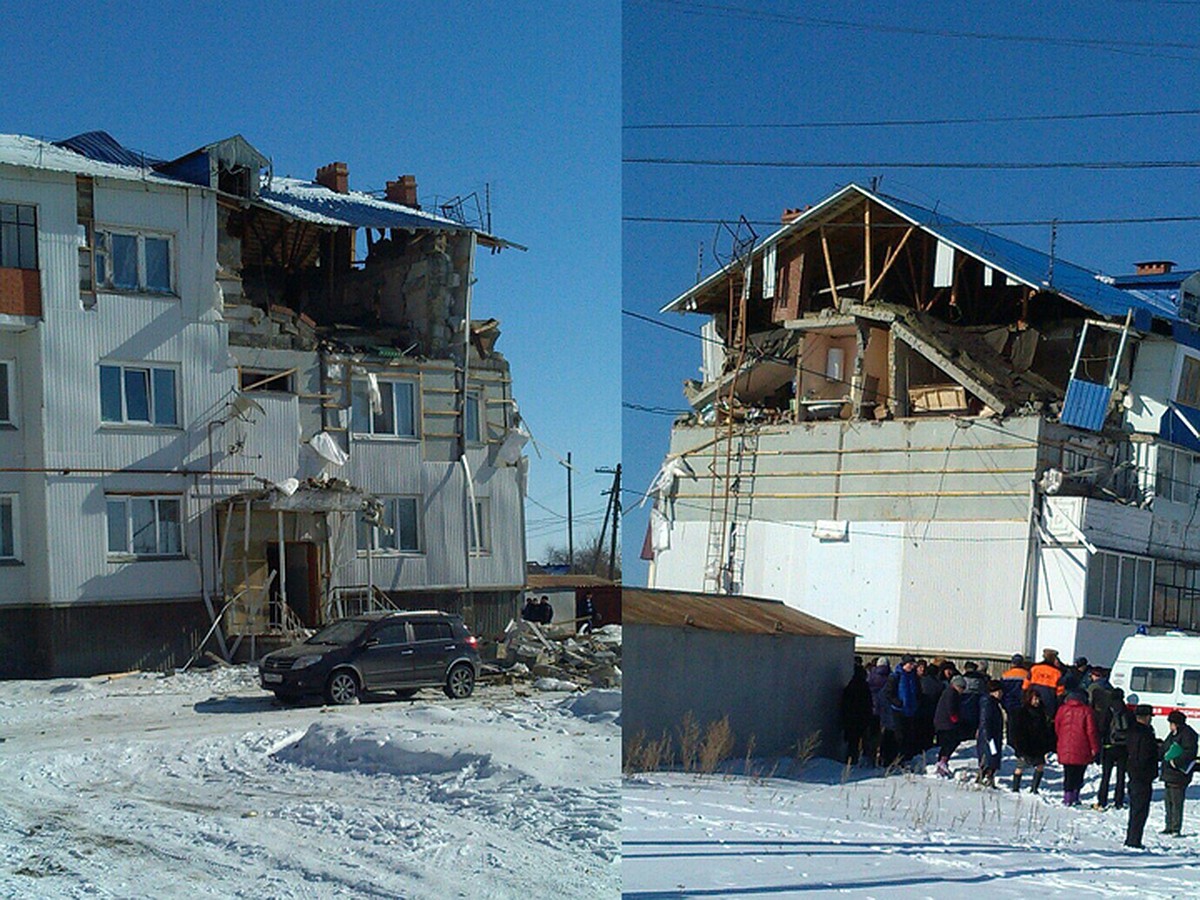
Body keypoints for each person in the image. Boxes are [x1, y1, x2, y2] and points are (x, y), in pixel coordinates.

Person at [1055, 690, 1100, 806]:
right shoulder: (1086, 711)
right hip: (1082, 746)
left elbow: (1057, 726)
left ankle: (1067, 797)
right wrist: (1094, 747)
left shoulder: (1062, 709)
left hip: (1065, 745)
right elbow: (1091, 731)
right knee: (1079, 772)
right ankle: (1075, 795)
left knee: (1068, 772)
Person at [1008, 688, 1054, 793]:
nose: (1037, 701)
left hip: (1038, 744)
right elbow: (1016, 730)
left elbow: (1044, 728)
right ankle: (1015, 788)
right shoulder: (1022, 712)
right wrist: (1018, 745)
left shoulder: (1041, 712)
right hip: (1025, 744)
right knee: (1020, 767)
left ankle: (1034, 788)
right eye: (1034, 699)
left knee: (1040, 766)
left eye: (1038, 699)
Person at [1125, 705, 1158, 849]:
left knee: (1135, 810)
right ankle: (1134, 840)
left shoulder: (1131, 731)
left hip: (1133, 773)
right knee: (1140, 810)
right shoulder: (1146, 733)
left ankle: (1132, 838)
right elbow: (1146, 755)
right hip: (1143, 776)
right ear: (1146, 717)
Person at [1161, 709, 1199, 835]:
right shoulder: (1173, 734)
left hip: (1179, 774)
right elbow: (1165, 747)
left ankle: (1176, 827)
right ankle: (1169, 825)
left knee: (1176, 802)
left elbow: (1190, 753)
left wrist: (1176, 761)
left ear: (1176, 723)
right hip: (1169, 773)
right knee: (1168, 801)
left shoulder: (1188, 735)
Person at [1095, 687, 1130, 810]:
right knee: (1121, 775)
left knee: (1106, 775)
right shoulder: (1126, 710)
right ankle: (1119, 800)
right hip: (1123, 747)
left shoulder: (1108, 710)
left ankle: (1102, 800)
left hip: (1109, 746)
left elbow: (1102, 728)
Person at [884, 655, 921, 767]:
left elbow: (917, 691)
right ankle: (896, 758)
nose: (912, 666)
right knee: (899, 736)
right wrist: (897, 702)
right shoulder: (896, 676)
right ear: (904, 664)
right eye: (910, 664)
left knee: (908, 736)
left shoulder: (913, 676)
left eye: (913, 664)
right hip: (898, 710)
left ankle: (905, 758)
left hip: (911, 709)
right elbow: (888, 693)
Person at [933, 674, 967, 778]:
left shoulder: (950, 692)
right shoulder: (951, 693)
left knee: (949, 742)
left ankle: (943, 761)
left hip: (944, 722)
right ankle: (942, 762)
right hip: (946, 723)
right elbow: (951, 708)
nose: (963, 690)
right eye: (962, 688)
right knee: (950, 742)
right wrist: (956, 720)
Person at [840, 663, 873, 765]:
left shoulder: (850, 686)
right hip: (862, 719)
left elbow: (844, 704)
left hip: (850, 719)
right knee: (863, 742)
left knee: (852, 743)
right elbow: (868, 703)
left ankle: (850, 761)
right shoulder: (864, 687)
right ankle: (864, 761)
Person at [976, 679, 1006, 788]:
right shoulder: (988, 702)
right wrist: (988, 736)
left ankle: (988, 778)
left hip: (993, 735)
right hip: (989, 737)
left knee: (993, 758)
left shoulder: (994, 703)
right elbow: (985, 720)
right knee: (989, 758)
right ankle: (985, 778)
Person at [867, 657, 895, 766]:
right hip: (886, 709)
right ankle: (883, 757)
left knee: (873, 735)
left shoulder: (871, 676)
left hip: (872, 709)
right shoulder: (889, 677)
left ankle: (870, 757)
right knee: (886, 735)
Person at [1025, 648, 1066, 718]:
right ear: (1053, 659)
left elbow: (1025, 687)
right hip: (1049, 707)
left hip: (1032, 704)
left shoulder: (1034, 668)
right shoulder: (1057, 673)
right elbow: (1060, 694)